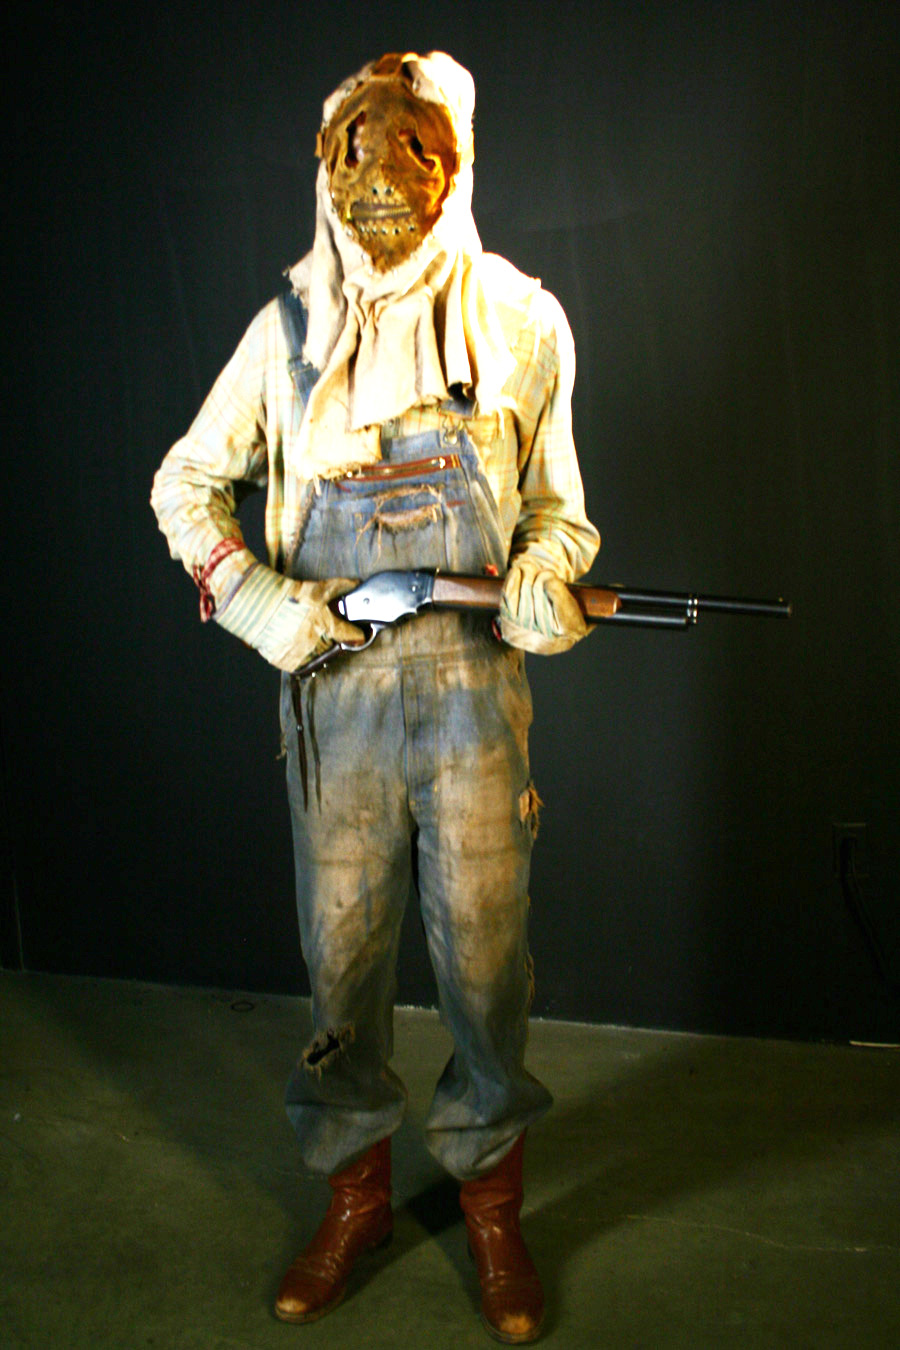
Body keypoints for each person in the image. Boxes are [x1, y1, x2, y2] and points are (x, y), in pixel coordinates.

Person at [152, 50, 599, 1344]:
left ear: (456, 162)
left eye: (412, 148)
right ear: (325, 161)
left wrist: (542, 577)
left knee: (487, 967)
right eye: (357, 146)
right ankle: (354, 1196)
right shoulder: (286, 333)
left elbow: (562, 513)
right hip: (334, 707)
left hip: (473, 704)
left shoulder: (522, 322)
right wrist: (262, 604)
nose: (381, 176)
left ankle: (491, 1200)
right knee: (342, 963)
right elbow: (186, 485)